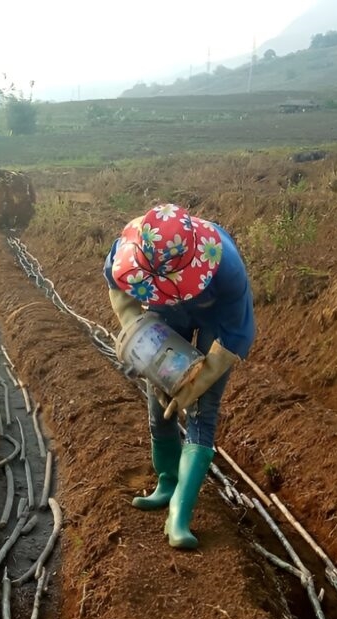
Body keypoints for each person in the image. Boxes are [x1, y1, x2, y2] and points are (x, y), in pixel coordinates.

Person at [106, 203, 256, 550]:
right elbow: (116, 287)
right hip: (165, 308)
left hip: (215, 320)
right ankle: (167, 482)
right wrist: (145, 346)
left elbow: (233, 336)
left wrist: (193, 386)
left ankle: (180, 512)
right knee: (158, 403)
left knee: (203, 409)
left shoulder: (225, 265)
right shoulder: (130, 250)